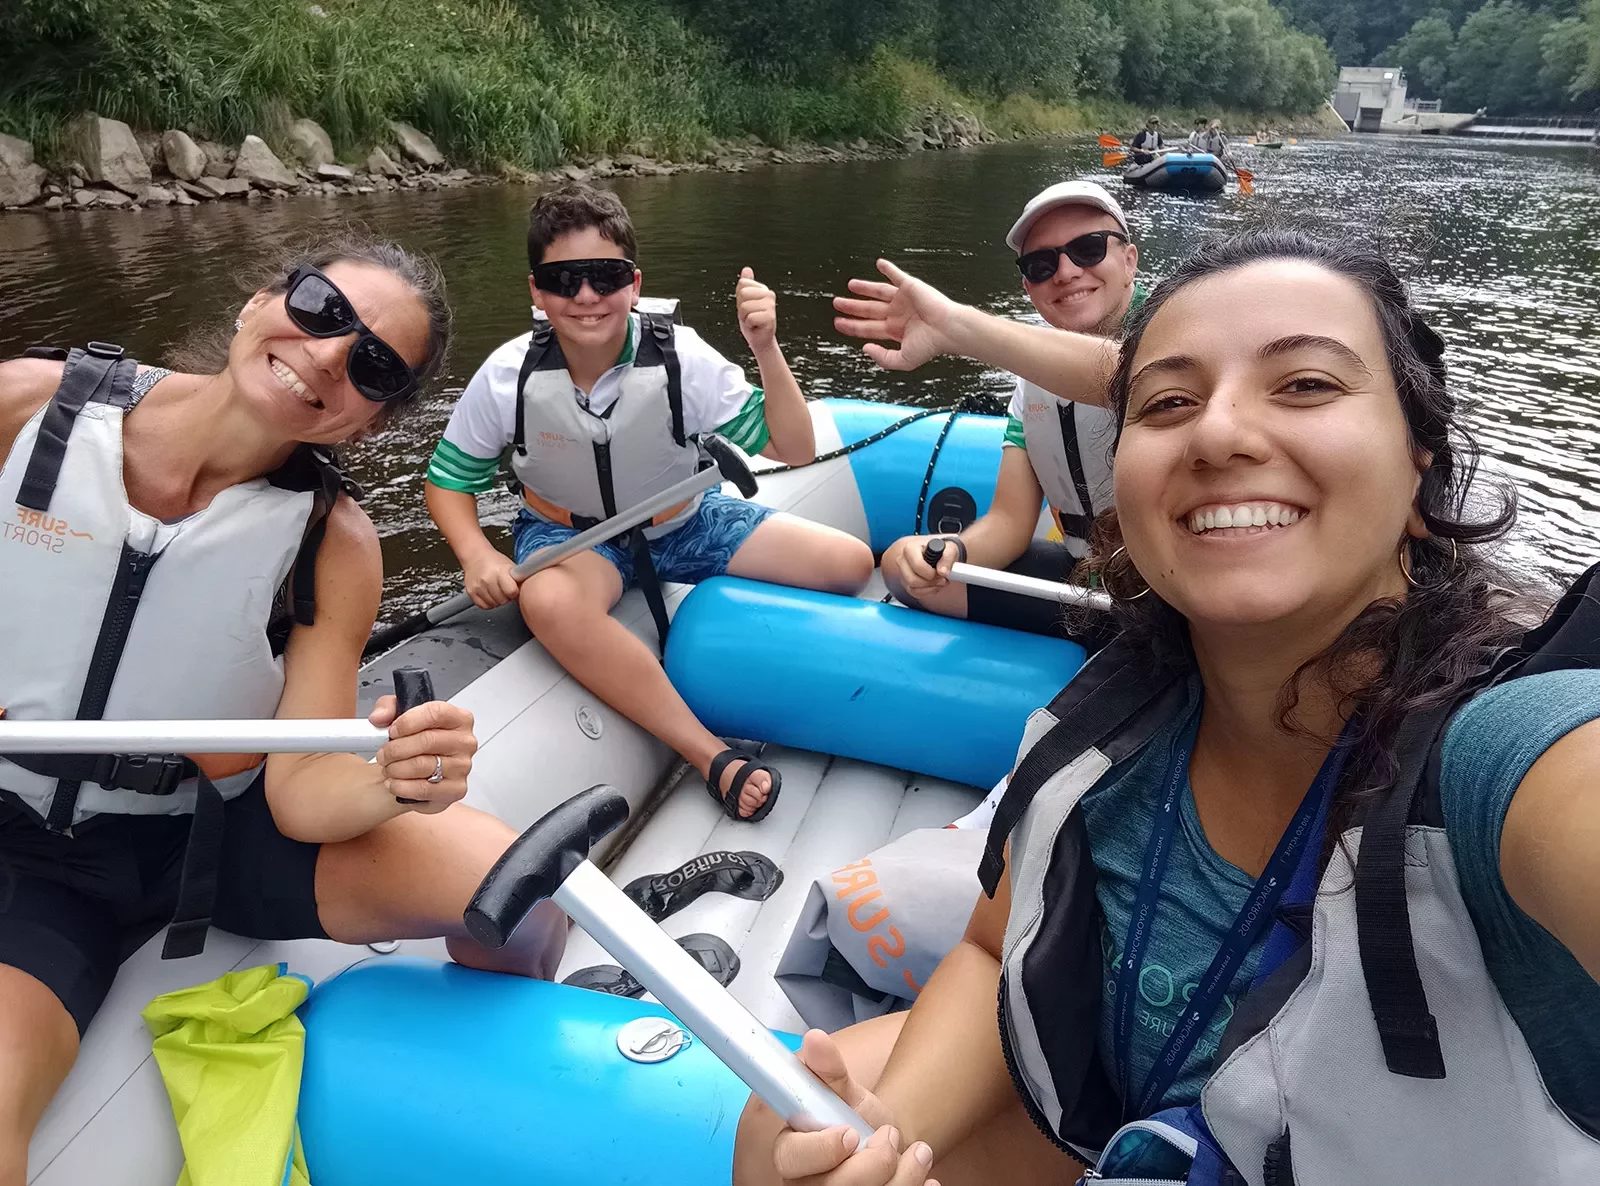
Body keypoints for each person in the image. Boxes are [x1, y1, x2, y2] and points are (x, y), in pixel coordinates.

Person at [734, 231, 1600, 1184]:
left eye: (1306, 384)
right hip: (1148, 1128)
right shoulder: (1111, 724)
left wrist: (958, 327)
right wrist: (878, 1142)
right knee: (777, 1132)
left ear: (1419, 474)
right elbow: (994, 952)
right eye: (1168, 403)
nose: (1220, 433)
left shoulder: (1514, 759)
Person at [0, 234, 569, 1186]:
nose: (329, 354)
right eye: (321, 308)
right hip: (36, 858)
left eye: (374, 367)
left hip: (207, 840)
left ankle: (512, 1055)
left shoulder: (334, 542)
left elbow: (303, 793)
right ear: (259, 301)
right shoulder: (25, 406)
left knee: (520, 892)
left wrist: (392, 782)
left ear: (366, 423)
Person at [425, 185, 872, 824]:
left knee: (850, 564)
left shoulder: (682, 358)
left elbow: (794, 446)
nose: (585, 296)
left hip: (686, 523)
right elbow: (446, 481)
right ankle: (708, 755)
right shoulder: (507, 375)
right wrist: (474, 553)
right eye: (564, 279)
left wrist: (766, 345)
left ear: (633, 284)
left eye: (604, 277)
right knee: (548, 600)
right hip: (577, 540)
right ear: (536, 290)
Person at [878, 181, 1143, 638]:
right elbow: (1010, 521)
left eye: (1088, 248)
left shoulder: (1176, 342)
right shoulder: (1031, 380)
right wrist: (951, 552)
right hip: (1088, 578)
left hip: (1174, 593)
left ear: (1129, 260)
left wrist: (958, 328)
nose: (1065, 272)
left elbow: (1121, 375)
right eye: (1042, 265)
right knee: (904, 572)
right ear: (1028, 286)